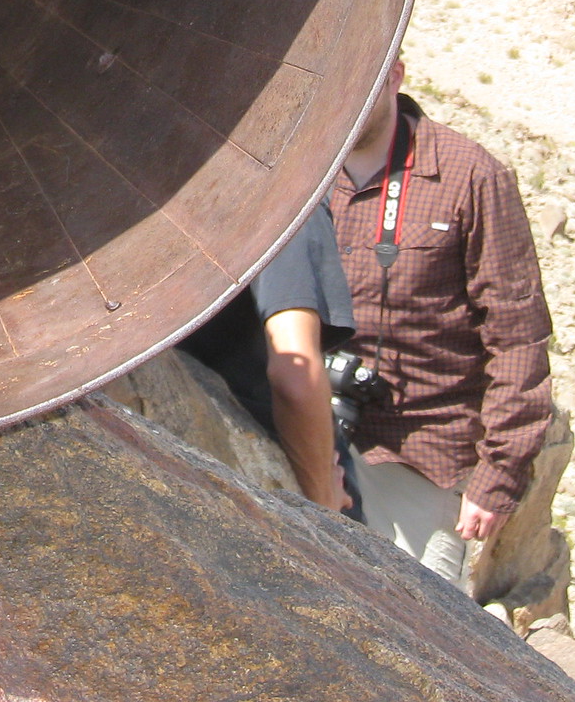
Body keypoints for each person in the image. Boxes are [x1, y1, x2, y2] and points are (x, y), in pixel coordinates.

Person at [267, 56, 554, 586]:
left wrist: (498, 476)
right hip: (304, 430)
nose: (348, 104)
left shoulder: (470, 177)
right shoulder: (302, 164)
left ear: (395, 76)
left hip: (419, 458)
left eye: (363, 85)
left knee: (410, 623)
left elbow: (519, 340)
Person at [181, 186, 359, 513]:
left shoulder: (127, 198)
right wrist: (324, 504)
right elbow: (296, 376)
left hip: (176, 456)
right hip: (275, 471)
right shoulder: (283, 197)